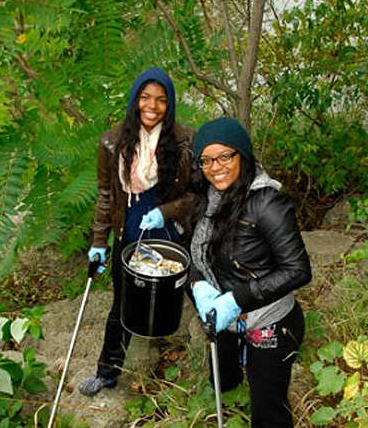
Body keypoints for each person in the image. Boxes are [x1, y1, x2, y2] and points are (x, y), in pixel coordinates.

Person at [79, 67, 195, 396]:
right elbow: (105, 195)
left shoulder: (185, 140)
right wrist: (100, 243)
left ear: (169, 104)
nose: (152, 106)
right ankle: (107, 371)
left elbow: (196, 195)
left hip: (167, 225)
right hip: (128, 226)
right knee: (123, 301)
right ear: (135, 100)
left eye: (161, 100)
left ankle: (206, 355)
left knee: (182, 286)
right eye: (146, 98)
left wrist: (165, 212)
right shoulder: (112, 142)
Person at [189, 117, 312, 427]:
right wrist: (198, 284)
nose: (214, 166)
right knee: (222, 382)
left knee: (268, 411)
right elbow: (197, 255)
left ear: (242, 155)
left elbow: (298, 269)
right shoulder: (209, 198)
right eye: (205, 160)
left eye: (224, 156)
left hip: (269, 322)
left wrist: (237, 299)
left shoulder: (267, 203)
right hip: (224, 319)